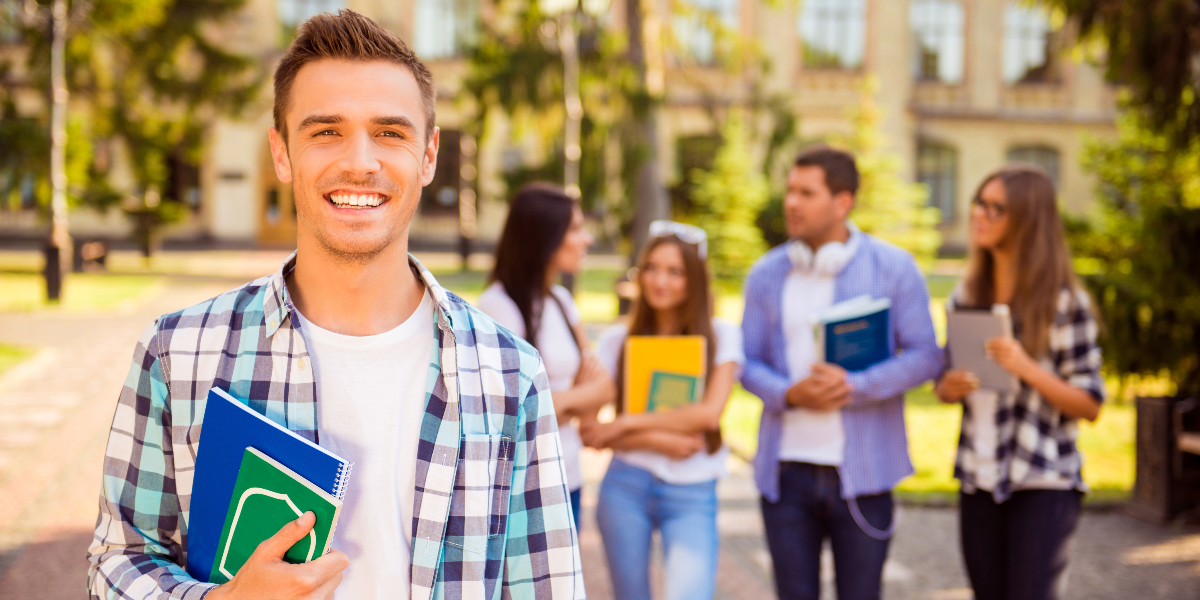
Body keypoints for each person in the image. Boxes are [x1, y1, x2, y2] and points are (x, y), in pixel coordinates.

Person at [85, 11, 584, 600]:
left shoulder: (508, 373)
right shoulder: (177, 352)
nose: (361, 162)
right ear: (280, 152)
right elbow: (119, 559)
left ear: (427, 156)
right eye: (326, 131)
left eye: (391, 133)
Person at [740, 146, 943, 600]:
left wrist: (856, 386)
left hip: (865, 476)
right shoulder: (765, 274)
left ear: (843, 201)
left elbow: (927, 355)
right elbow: (746, 361)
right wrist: (790, 393)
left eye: (806, 193)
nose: (791, 202)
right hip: (786, 475)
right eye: (790, 191)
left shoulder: (894, 267)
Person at [936, 165, 1104, 600]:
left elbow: (1090, 404)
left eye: (997, 208)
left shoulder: (1066, 302)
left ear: (1029, 221)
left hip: (1043, 481)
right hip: (979, 476)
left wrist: (1027, 367)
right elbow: (944, 381)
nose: (980, 214)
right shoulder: (966, 295)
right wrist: (948, 387)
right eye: (979, 202)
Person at [581, 221, 744, 600]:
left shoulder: (722, 336)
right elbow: (591, 430)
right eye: (651, 268)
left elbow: (708, 415)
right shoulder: (617, 340)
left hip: (692, 491)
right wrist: (656, 438)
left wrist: (625, 424)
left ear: (695, 280)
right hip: (626, 486)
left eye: (675, 271)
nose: (660, 280)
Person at [476, 182, 614, 529]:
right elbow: (512, 411)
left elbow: (603, 385)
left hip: (571, 478)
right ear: (543, 236)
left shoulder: (562, 303)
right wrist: (577, 399)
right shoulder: (499, 307)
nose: (587, 240)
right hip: (523, 488)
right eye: (576, 229)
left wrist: (554, 403)